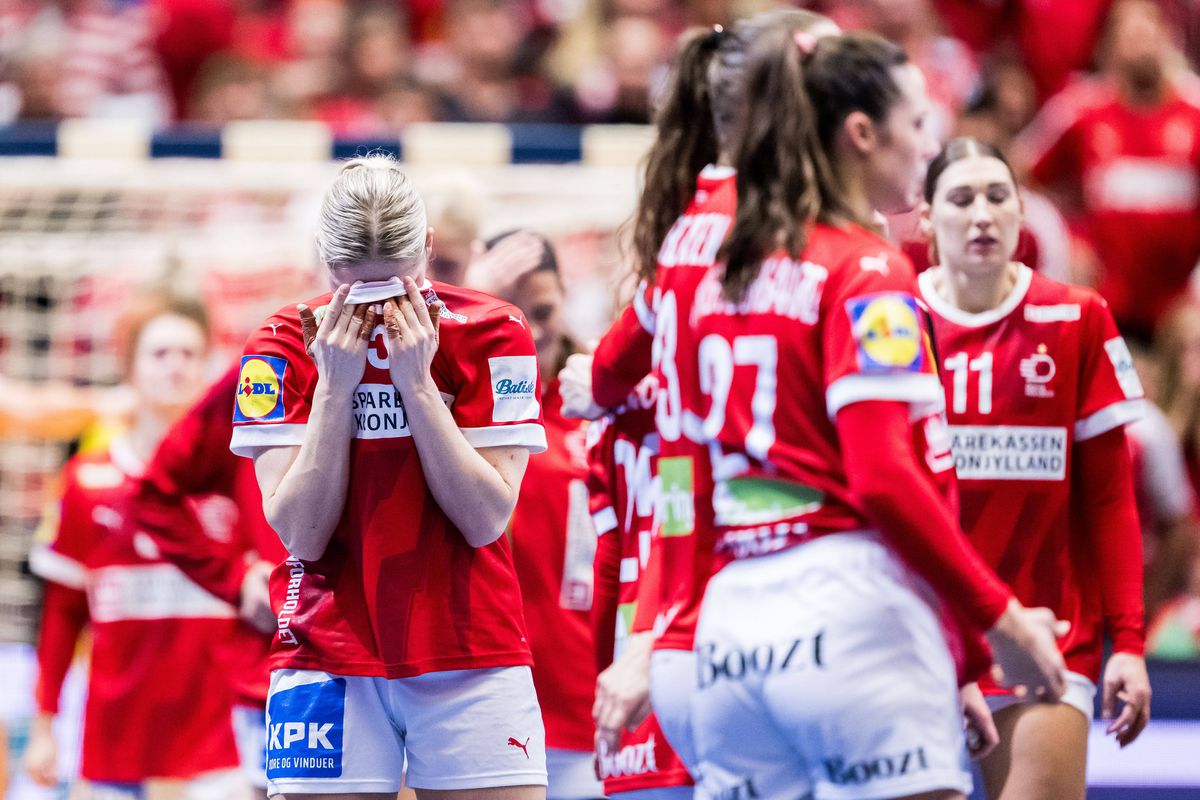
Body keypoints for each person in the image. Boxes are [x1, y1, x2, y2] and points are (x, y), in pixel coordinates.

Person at [675, 30, 1068, 800]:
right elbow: (884, 476)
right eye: (918, 123)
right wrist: (1002, 623)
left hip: (727, 627)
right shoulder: (868, 266)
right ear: (862, 134)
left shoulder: (719, 261)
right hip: (847, 603)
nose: (931, 145)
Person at [229, 155, 549, 799]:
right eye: (356, 290)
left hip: (469, 644)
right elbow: (302, 534)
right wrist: (334, 390)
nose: (377, 312)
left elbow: (486, 519)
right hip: (323, 648)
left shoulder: (494, 330)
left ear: (428, 250)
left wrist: (417, 385)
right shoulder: (278, 346)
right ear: (324, 261)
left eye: (394, 287)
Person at [917, 136, 1152, 799]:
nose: (982, 214)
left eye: (998, 196)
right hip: (918, 636)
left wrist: (1128, 643)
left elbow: (1110, 499)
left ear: (1023, 211)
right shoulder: (893, 324)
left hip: (1049, 635)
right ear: (928, 219)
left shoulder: (1079, 317)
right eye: (960, 199)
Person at [25, 296, 244, 800]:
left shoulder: (237, 474)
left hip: (219, 743)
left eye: (189, 354)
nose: (176, 366)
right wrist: (44, 725)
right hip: (115, 743)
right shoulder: (86, 481)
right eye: (160, 353)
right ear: (130, 370)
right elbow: (63, 612)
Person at [470, 230, 601, 800]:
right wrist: (472, 300)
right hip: (478, 695)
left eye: (542, 311)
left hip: (585, 701)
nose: (529, 331)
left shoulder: (601, 396)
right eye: (511, 314)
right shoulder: (459, 397)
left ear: (567, 295)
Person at [132, 365, 288, 797]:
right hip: (276, 663)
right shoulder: (265, 369)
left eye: (185, 356)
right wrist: (235, 580)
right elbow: (155, 496)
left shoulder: (443, 348)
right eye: (161, 356)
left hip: (404, 660)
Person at [1013, 0, 1200, 342]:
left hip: (1183, 304)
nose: (1141, 46)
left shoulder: (1194, 110)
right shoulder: (1081, 108)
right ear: (1110, 45)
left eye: (1149, 34)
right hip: (1107, 295)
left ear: (1167, 37)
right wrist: (1070, 237)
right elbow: (1022, 172)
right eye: (1131, 37)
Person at [587, 372, 694, 800]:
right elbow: (683, 517)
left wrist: (601, 689)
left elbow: (607, 566)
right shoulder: (691, 386)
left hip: (627, 669)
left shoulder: (604, 411)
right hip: (695, 644)